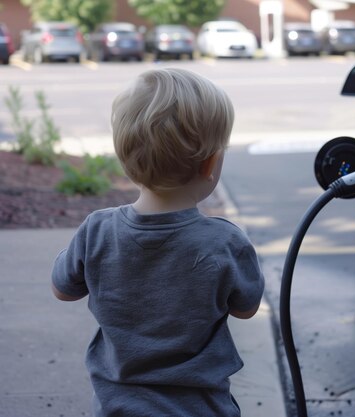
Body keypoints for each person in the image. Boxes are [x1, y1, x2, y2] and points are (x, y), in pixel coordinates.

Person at [51, 68, 265, 417]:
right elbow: (246, 308)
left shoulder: (97, 231)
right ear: (211, 163)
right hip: (202, 408)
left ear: (124, 158)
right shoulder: (226, 243)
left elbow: (63, 289)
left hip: (117, 408)